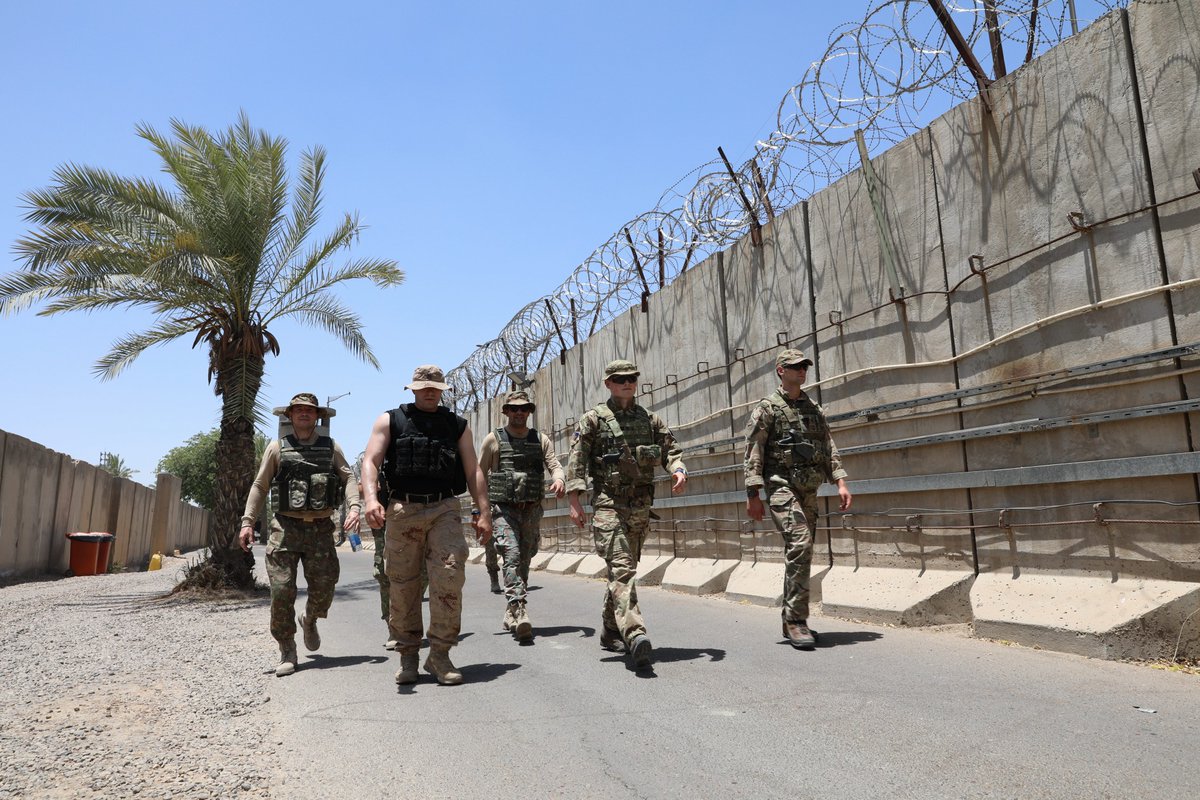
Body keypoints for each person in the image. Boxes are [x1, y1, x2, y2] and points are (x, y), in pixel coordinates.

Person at [361, 365, 493, 686]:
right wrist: (371, 499)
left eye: (435, 388)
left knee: (449, 576)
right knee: (403, 584)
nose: (430, 392)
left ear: (443, 390)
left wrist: (484, 511)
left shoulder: (456, 425)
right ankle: (408, 656)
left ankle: (440, 655)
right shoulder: (390, 420)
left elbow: (473, 469)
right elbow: (371, 461)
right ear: (413, 390)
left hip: (443, 508)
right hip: (403, 509)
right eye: (424, 388)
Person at [566, 359, 687, 669]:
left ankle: (610, 630)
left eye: (632, 378)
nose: (627, 383)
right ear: (608, 383)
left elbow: (671, 450)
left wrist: (678, 469)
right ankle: (635, 633)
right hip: (608, 505)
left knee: (624, 571)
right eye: (620, 379)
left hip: (640, 507)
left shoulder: (649, 419)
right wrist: (574, 500)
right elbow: (577, 460)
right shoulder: (593, 420)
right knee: (622, 569)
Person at [238, 393, 361, 677]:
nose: (304, 413)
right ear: (290, 415)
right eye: (298, 410)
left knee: (325, 586)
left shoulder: (331, 447)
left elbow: (348, 477)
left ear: (317, 416)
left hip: (320, 529)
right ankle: (287, 649)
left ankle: (310, 617)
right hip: (285, 528)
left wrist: (355, 507)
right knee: (282, 591)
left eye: (309, 410)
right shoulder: (276, 448)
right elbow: (260, 486)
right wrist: (247, 523)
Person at [744, 349, 852, 650]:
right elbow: (753, 451)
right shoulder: (767, 408)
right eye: (795, 367)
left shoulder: (813, 408)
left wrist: (841, 482)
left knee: (801, 552)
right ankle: (796, 621)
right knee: (801, 543)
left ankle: (790, 618)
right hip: (780, 486)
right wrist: (753, 493)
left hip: (808, 489)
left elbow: (827, 445)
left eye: (804, 366)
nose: (802, 371)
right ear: (781, 371)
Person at [476, 389, 565, 641]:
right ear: (506, 411)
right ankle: (519, 609)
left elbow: (554, 465)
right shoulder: (493, 440)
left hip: (531, 510)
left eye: (524, 408)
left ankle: (510, 611)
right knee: (512, 555)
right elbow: (479, 475)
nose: (519, 412)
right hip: (503, 510)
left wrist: (559, 479)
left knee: (525, 559)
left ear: (529, 412)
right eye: (514, 408)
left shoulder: (540, 439)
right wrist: (479, 510)